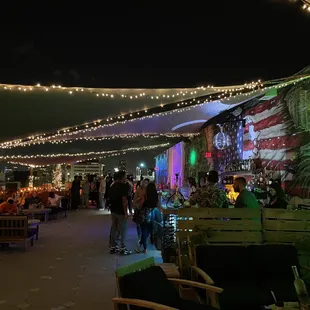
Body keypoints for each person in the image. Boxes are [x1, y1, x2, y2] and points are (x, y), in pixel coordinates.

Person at [109, 171, 131, 255]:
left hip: (113, 210)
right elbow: (124, 199)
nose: (126, 177)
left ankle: (113, 246)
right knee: (123, 229)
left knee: (114, 228)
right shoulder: (123, 186)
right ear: (122, 177)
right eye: (125, 176)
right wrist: (126, 212)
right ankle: (123, 248)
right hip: (120, 211)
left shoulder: (112, 185)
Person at [136, 182, 158, 254]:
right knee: (148, 230)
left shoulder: (144, 195)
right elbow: (157, 205)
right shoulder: (156, 195)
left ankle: (143, 247)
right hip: (152, 214)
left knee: (143, 231)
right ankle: (143, 247)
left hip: (144, 214)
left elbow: (140, 205)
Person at [133, 178, 150, 247]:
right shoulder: (139, 189)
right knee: (138, 224)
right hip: (138, 208)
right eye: (144, 182)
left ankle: (143, 240)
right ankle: (140, 237)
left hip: (144, 209)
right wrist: (138, 199)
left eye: (146, 183)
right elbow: (135, 199)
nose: (144, 184)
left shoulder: (148, 190)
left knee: (144, 225)